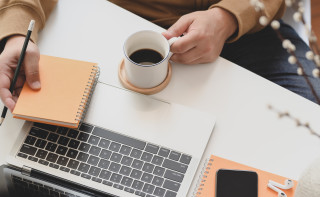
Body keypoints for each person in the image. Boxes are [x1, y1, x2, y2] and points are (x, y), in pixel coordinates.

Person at [0, 0, 319, 114]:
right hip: (121, 22)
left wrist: (228, 17)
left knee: (308, 122)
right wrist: (15, 33)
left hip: (244, 27)